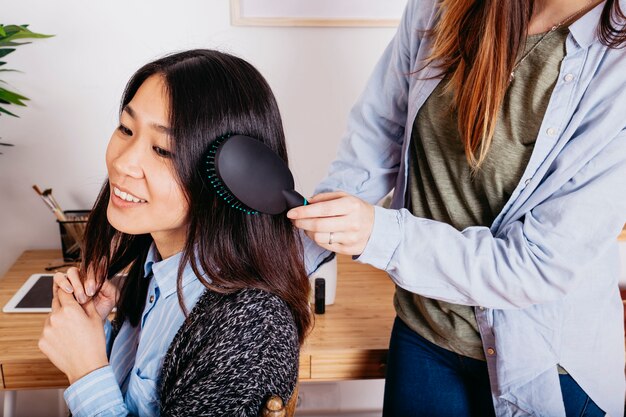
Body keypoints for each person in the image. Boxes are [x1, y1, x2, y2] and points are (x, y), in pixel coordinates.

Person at [287, 0, 626, 416]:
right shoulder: (441, 6)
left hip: (548, 362)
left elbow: (537, 264)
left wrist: (378, 233)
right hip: (424, 335)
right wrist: (296, 251)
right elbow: (377, 138)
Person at [38, 49, 311, 417]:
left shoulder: (249, 330)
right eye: (125, 129)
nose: (122, 163)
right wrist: (92, 334)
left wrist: (86, 371)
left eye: (163, 150)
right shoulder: (156, 269)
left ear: (230, 179)